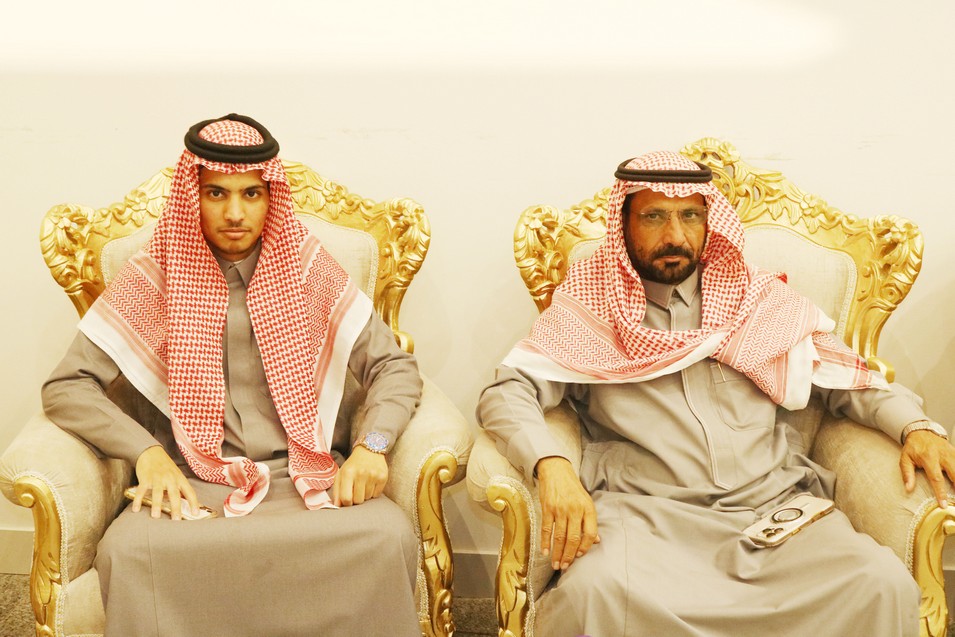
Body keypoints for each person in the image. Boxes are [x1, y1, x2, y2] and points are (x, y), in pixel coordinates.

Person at [477, 150, 955, 636]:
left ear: (710, 222)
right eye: (654, 217)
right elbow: (507, 391)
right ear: (624, 223)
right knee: (591, 595)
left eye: (690, 216)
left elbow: (848, 379)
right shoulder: (593, 308)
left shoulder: (758, 302)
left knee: (881, 585)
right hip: (647, 517)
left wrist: (916, 427)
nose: (675, 235)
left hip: (771, 510)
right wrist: (550, 464)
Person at [42, 114, 423, 636]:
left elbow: (393, 366)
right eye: (216, 193)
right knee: (128, 551)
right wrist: (146, 454)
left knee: (387, 537)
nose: (236, 213)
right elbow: (66, 387)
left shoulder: (306, 267)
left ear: (271, 198)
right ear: (192, 197)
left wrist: (372, 446)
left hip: (308, 476)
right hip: (198, 482)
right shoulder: (155, 276)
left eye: (251, 194)